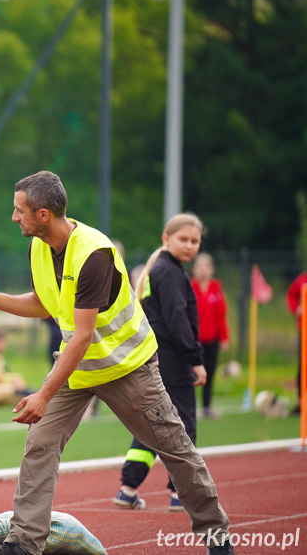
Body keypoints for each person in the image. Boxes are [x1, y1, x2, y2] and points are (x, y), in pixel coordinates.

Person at [0, 171, 234, 555]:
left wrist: (43, 395)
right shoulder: (40, 247)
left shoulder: (93, 253)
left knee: (176, 449)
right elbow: (47, 302)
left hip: (128, 368)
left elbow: (81, 335)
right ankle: (23, 544)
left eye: (19, 210)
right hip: (79, 368)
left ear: (43, 214)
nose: (14, 218)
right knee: (40, 443)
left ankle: (218, 539)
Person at [116, 213, 208, 512]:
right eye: (184, 239)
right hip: (172, 359)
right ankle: (179, 492)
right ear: (167, 239)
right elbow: (177, 319)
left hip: (157, 356)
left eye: (195, 241)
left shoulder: (165, 269)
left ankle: (128, 488)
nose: (190, 246)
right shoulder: (169, 272)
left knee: (154, 424)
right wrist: (195, 359)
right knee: (182, 424)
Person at [191, 252, 230, 419]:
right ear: (194, 269)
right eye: (199, 265)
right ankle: (189, 407)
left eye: (206, 266)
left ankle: (207, 406)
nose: (202, 269)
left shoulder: (216, 289)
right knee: (190, 373)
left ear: (212, 269)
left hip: (212, 339)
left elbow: (221, 316)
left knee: (210, 372)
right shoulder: (190, 288)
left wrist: (224, 337)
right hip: (194, 340)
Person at [287, 271, 307, 415]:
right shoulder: (302, 280)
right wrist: (297, 309)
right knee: (303, 365)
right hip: (304, 329)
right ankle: (301, 403)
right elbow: (291, 296)